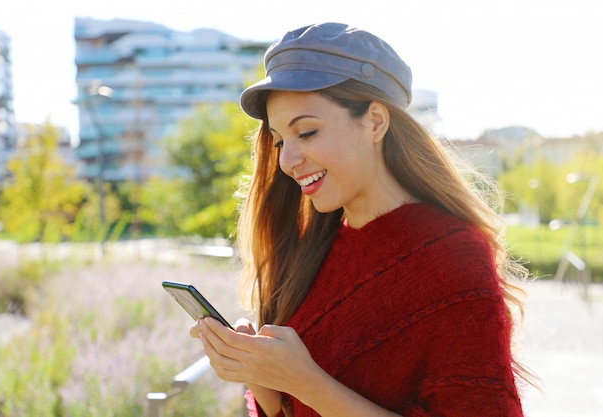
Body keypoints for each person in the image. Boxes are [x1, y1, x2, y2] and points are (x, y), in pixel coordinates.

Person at [190, 22, 534, 417]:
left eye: (307, 132)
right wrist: (259, 373)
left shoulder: (451, 257)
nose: (287, 161)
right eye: (281, 141)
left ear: (375, 121)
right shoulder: (310, 247)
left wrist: (304, 380)